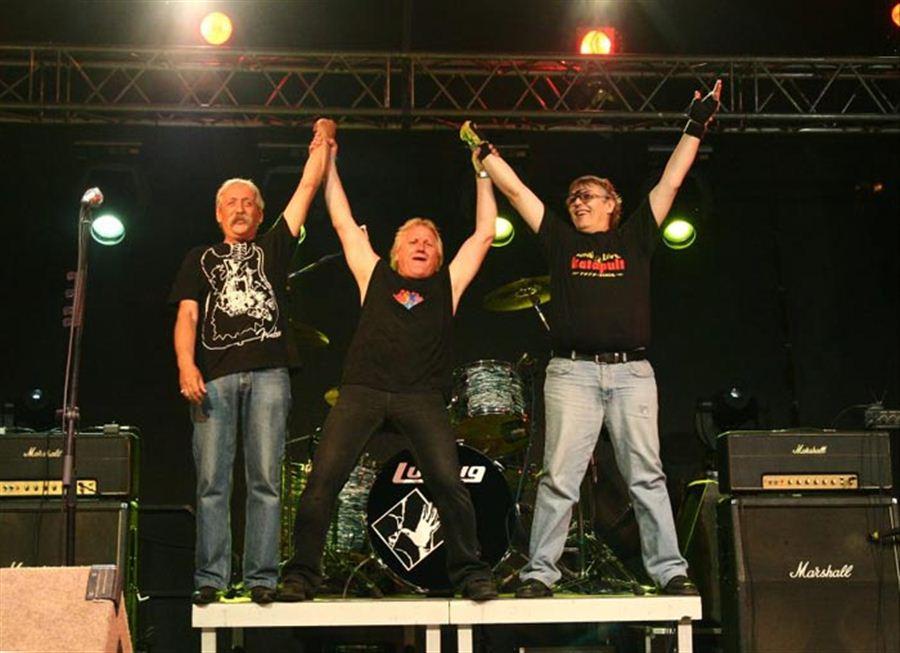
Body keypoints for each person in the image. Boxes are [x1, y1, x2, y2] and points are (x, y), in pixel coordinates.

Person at [464, 80, 722, 597]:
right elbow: (517, 194)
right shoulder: (560, 241)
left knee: (646, 475)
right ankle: (541, 572)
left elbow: (671, 181)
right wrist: (484, 152)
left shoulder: (635, 237)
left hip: (631, 372)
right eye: (573, 197)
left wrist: (695, 125)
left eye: (588, 195)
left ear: (612, 203)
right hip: (572, 372)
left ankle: (669, 570)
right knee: (559, 476)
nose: (578, 202)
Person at [278, 129, 500, 602]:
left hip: (421, 397)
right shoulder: (373, 273)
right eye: (412, 241)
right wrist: (329, 160)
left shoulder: (448, 285)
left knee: (448, 483)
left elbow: (483, 234)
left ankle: (470, 572)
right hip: (363, 390)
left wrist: (482, 172)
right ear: (396, 252)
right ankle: (301, 574)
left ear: (438, 256)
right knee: (321, 482)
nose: (420, 246)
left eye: (429, 242)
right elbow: (342, 221)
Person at [169, 118, 335, 605]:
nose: (240, 209)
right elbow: (187, 315)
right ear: (218, 214)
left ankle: (261, 576)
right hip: (214, 378)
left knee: (265, 478)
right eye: (231, 203)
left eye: (248, 203)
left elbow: (307, 187)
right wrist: (185, 365)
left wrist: (324, 138)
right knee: (211, 482)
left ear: (260, 215)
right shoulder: (199, 257)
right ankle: (211, 577)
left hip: (269, 375)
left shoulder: (273, 247)